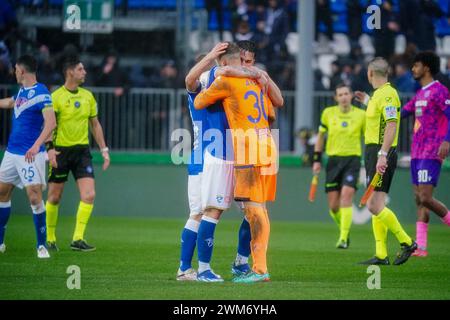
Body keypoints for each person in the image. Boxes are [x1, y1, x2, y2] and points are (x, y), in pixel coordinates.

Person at [177, 42, 267, 282]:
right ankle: (208, 268)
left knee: (196, 213)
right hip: (217, 153)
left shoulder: (203, 87)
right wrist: (256, 72)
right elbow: (200, 76)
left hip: (199, 156)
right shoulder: (213, 76)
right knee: (218, 210)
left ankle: (185, 269)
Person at [355, 57, 417, 266]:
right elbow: (380, 117)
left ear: (370, 73)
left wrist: (383, 155)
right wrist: (367, 101)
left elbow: (391, 125)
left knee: (374, 205)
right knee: (376, 202)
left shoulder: (389, 95)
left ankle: (407, 242)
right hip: (373, 150)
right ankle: (381, 254)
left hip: (381, 151)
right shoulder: (378, 95)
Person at [45, 56, 110, 252]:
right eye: (81, 69)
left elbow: (95, 124)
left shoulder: (88, 96)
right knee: (54, 197)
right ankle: (49, 238)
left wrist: (104, 150)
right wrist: (50, 150)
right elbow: (48, 125)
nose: (85, 72)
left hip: (82, 152)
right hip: (60, 151)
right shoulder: (55, 97)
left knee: (89, 195)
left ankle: (78, 239)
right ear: (70, 72)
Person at [0, 54, 56, 258]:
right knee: (2, 193)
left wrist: (36, 146)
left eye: (15, 69)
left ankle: (41, 246)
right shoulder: (22, 91)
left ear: (22, 70)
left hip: (30, 155)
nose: (14, 72)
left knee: (34, 196)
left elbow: (51, 123)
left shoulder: (42, 92)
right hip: (11, 153)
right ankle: (0, 242)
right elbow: (11, 103)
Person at [401, 51, 450, 257]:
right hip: (417, 152)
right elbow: (400, 112)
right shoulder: (420, 93)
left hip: (432, 151)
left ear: (427, 68)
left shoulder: (440, 91)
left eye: (416, 65)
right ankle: (420, 247)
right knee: (419, 199)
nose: (413, 69)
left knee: (425, 197)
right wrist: (371, 104)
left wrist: (447, 140)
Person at [313, 84, 365, 249]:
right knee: (334, 207)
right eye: (340, 94)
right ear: (336, 98)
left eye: (346, 94)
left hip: (353, 161)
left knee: (346, 197)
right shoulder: (328, 113)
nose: (343, 97)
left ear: (351, 96)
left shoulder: (361, 115)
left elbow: (369, 137)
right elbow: (320, 137)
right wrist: (316, 160)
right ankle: (345, 229)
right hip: (333, 161)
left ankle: (343, 238)